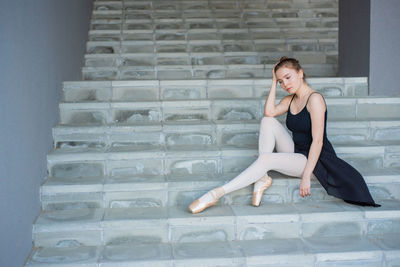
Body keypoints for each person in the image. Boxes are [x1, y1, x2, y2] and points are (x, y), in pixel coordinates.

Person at [189, 57, 380, 214]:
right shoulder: (290, 100)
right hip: (297, 152)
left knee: (265, 158)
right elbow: (269, 112)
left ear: (300, 73)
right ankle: (261, 177)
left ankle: (215, 194)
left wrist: (306, 176)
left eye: (288, 78)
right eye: (281, 81)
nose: (284, 84)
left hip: (316, 161)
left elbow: (318, 141)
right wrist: (272, 82)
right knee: (267, 121)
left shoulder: (315, 99)